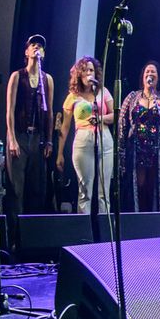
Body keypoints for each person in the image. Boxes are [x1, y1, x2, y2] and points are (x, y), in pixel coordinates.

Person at [119, 61, 160, 214]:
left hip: (158, 150)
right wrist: (120, 151)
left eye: (153, 72)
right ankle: (138, 219)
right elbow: (122, 124)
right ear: (143, 77)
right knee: (139, 186)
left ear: (158, 77)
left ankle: (156, 221)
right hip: (137, 149)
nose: (150, 75)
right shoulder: (132, 97)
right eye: (147, 72)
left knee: (154, 187)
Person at [5, 34, 55, 214]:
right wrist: (12, 139)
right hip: (19, 135)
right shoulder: (17, 76)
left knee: (36, 188)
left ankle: (32, 228)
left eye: (40, 46)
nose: (36, 47)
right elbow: (10, 110)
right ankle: (14, 228)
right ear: (26, 51)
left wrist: (49, 140)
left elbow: (49, 112)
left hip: (37, 138)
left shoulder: (47, 79)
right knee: (16, 188)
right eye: (33, 44)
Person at [57, 56, 114, 215]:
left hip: (104, 138)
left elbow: (115, 115)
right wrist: (60, 153)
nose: (89, 73)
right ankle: (84, 229)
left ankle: (104, 227)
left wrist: (101, 119)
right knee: (85, 191)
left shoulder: (103, 92)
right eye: (85, 70)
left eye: (91, 70)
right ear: (79, 74)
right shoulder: (73, 96)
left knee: (104, 192)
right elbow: (65, 126)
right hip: (83, 140)